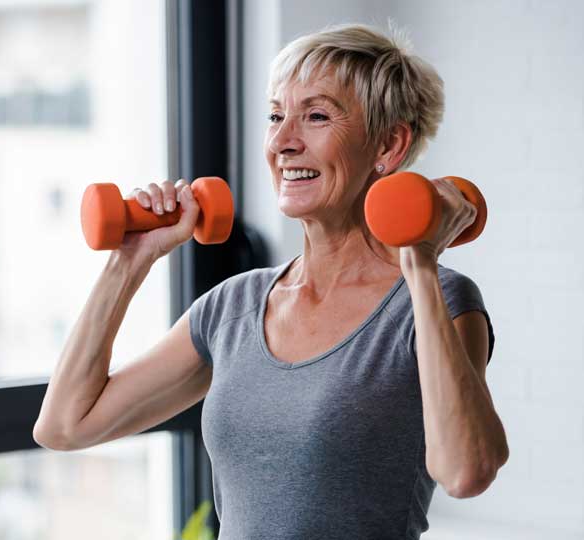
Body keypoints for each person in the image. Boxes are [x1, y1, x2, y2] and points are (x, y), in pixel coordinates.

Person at [34, 22, 508, 539]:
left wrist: (417, 259)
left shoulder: (436, 300)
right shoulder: (232, 308)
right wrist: (128, 263)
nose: (283, 142)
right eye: (276, 116)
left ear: (389, 146)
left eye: (317, 116)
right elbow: (65, 426)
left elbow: (466, 472)